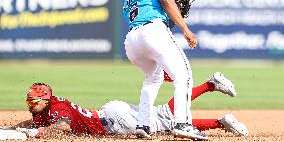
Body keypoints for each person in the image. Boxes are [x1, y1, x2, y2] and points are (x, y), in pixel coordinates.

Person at [10, 72, 248, 140]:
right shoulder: (47, 108)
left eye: (33, 101)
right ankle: (219, 113)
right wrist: (22, 127)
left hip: (115, 121)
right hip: (112, 113)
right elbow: (36, 122)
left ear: (45, 99)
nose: (30, 105)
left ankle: (213, 94)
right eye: (29, 101)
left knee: (166, 121)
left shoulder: (57, 110)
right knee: (164, 119)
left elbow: (62, 126)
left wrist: (39, 133)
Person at [123, 0, 203, 140]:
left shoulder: (127, 2)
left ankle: (143, 125)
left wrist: (171, 18)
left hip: (131, 42)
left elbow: (156, 19)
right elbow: (166, 0)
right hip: (152, 32)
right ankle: (183, 124)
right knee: (184, 76)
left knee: (152, 79)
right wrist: (185, 28)